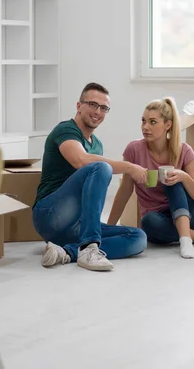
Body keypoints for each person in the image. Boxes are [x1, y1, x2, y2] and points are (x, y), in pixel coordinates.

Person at [33, 82, 148, 271]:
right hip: (50, 214)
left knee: (138, 238)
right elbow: (80, 160)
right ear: (79, 106)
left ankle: (67, 252)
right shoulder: (66, 130)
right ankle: (88, 248)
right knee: (101, 167)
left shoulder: (97, 145)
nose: (98, 111)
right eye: (93, 104)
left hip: (77, 227)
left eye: (103, 108)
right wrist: (128, 166)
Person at [107, 97, 194, 259]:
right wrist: (107, 228)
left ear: (167, 125)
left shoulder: (184, 150)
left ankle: (186, 240)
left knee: (173, 180)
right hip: (158, 220)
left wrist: (183, 176)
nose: (145, 127)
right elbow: (124, 192)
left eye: (152, 122)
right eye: (143, 121)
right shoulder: (134, 150)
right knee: (148, 223)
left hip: (188, 212)